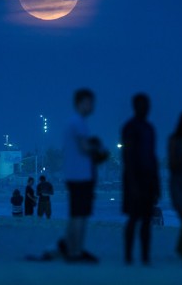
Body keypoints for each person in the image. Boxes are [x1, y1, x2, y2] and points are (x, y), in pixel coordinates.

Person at [61, 88, 107, 263]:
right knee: (81, 216)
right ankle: (76, 252)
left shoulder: (71, 123)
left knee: (74, 215)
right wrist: (100, 149)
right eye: (90, 102)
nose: (92, 106)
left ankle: (70, 250)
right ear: (80, 102)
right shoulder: (78, 122)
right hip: (81, 176)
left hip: (73, 176)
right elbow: (84, 147)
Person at [121, 93, 161, 265]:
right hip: (134, 179)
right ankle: (129, 256)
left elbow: (152, 157)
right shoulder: (130, 128)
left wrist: (157, 183)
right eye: (141, 105)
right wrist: (132, 183)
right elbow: (127, 157)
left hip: (148, 179)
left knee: (146, 219)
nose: (144, 109)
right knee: (133, 218)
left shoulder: (149, 129)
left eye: (146, 105)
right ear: (135, 107)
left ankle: (145, 256)